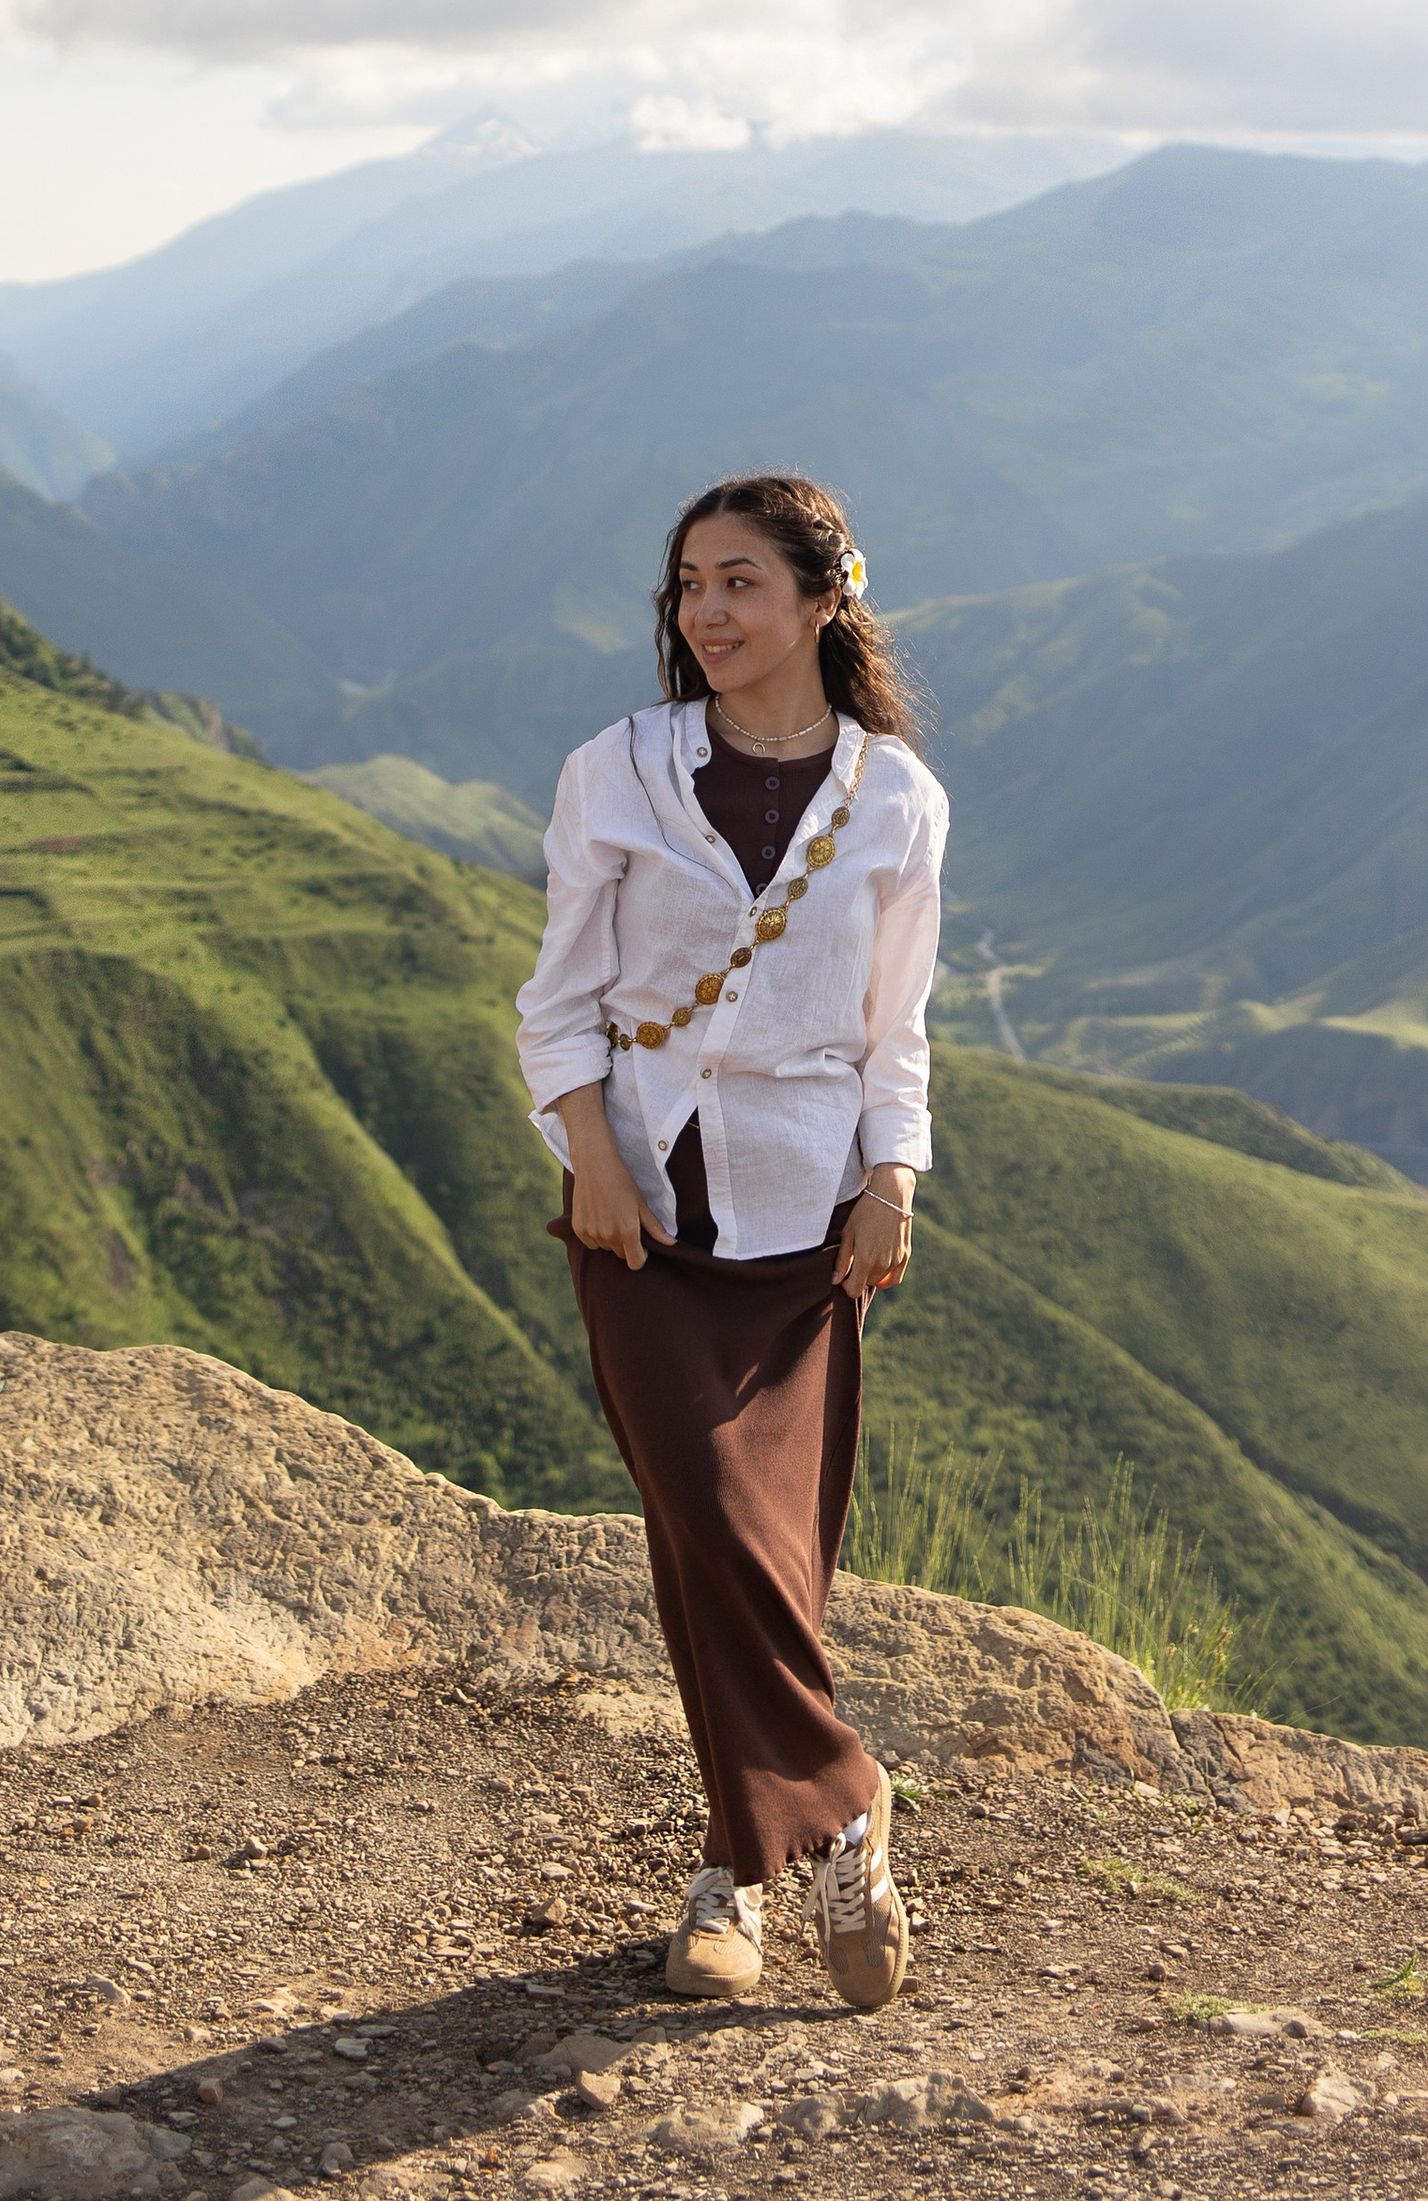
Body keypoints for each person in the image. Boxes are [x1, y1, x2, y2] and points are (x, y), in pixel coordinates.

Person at [515, 471, 948, 2014]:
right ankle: (846, 1800)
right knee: (702, 1504)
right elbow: (555, 995)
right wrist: (593, 1155)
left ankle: (730, 1876)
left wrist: (891, 1175)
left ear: (826, 598)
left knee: (761, 1552)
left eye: (740, 581)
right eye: (688, 582)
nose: (704, 609)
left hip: (803, 1205)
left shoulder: (895, 797)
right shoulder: (615, 771)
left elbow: (895, 1026)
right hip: (634, 1204)